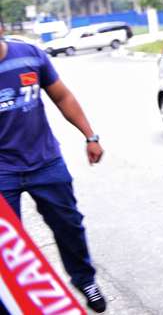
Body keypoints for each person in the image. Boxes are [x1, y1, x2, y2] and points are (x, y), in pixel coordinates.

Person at [0, 30, 107, 313]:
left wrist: (90, 136)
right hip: (2, 172)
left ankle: (85, 281)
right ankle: (14, 303)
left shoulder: (30, 55)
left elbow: (62, 96)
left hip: (45, 162)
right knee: (6, 245)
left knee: (69, 226)